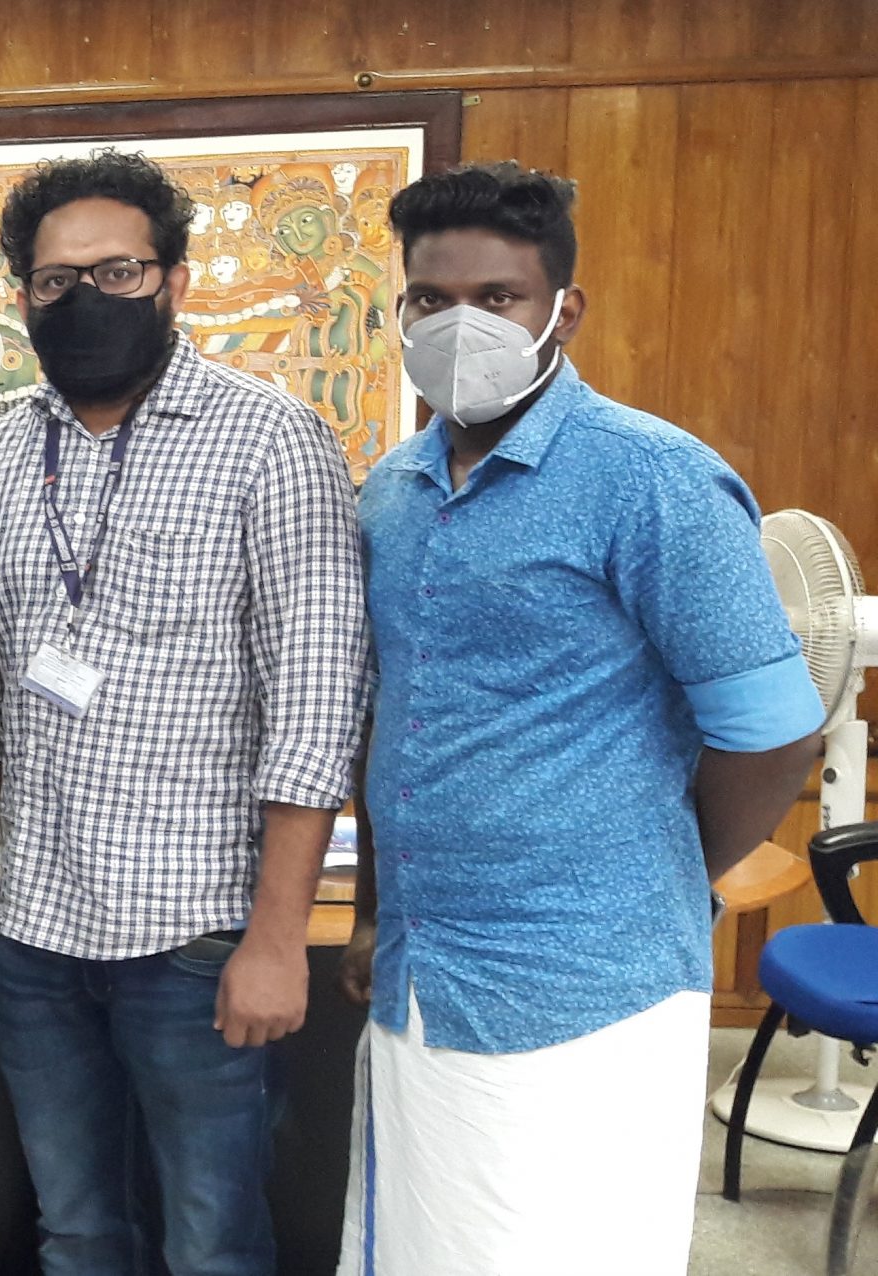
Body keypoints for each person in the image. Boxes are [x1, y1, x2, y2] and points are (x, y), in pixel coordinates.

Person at [337, 162, 826, 1275]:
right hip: (422, 974)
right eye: (431, 299)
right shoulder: (394, 490)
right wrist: (374, 915)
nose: (460, 325)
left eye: (497, 297)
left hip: (587, 988)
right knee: (416, 1245)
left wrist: (659, 875)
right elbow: (394, 722)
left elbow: (774, 730)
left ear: (564, 310)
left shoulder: (651, 480)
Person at [0, 150, 368, 1276]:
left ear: (174, 282)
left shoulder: (269, 438)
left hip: (197, 937)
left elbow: (316, 701)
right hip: (35, 936)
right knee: (75, 1230)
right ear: (24, 297)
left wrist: (275, 940)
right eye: (56, 280)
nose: (85, 296)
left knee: (211, 1244)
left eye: (118, 272)